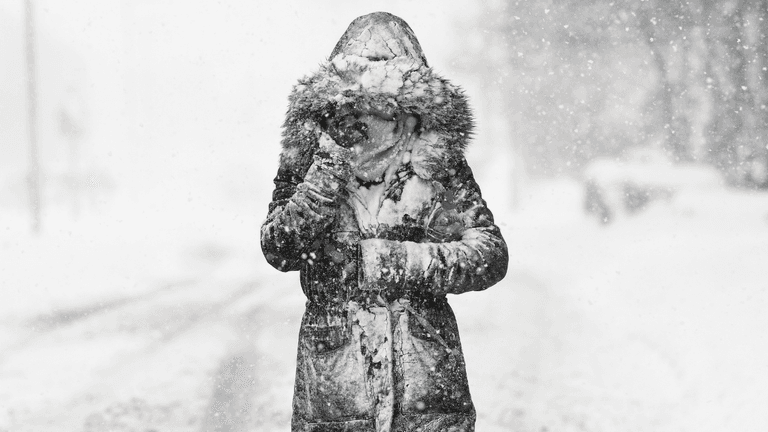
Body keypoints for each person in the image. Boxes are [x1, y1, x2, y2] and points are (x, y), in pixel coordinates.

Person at [261, 11, 508, 432]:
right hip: (336, 393)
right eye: (357, 102)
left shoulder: (435, 164)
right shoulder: (309, 159)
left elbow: (489, 254)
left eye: (382, 103)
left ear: (409, 105)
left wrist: (395, 263)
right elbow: (279, 248)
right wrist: (323, 178)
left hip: (427, 394)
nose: (369, 116)